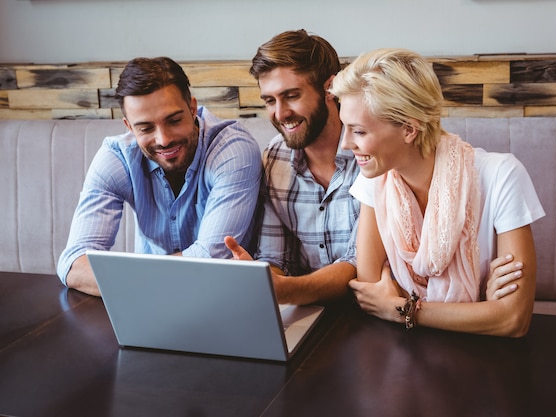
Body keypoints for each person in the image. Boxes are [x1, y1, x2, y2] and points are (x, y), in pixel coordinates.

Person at [328, 48, 545, 337]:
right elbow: (371, 294)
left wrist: (404, 308)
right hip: (402, 349)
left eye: (359, 131)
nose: (345, 144)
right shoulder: (375, 177)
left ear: (408, 129)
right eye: (345, 127)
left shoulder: (501, 176)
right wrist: (481, 308)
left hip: (486, 360)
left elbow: (513, 320)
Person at [57, 57, 262, 296]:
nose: (163, 139)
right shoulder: (116, 157)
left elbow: (210, 259)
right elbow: (73, 262)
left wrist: (125, 281)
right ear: (129, 127)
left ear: (192, 108)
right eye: (145, 128)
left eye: (174, 121)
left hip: (226, 297)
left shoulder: (233, 149)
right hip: (150, 305)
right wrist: (149, 285)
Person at [225, 29, 360, 305]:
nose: (280, 113)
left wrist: (285, 291)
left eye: (291, 95)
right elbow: (276, 258)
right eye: (270, 100)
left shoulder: (369, 152)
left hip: (369, 316)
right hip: (305, 313)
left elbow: (361, 264)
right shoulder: (276, 157)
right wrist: (265, 280)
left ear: (329, 88)